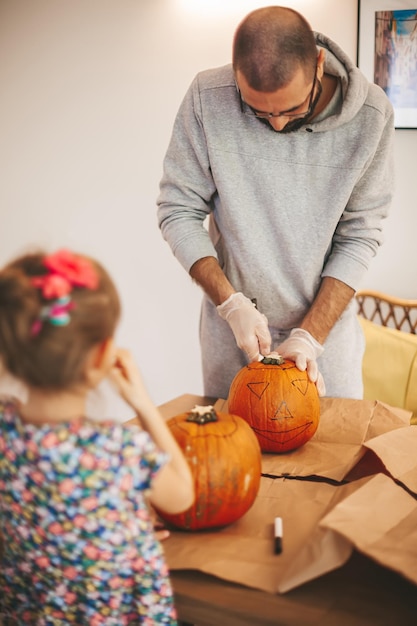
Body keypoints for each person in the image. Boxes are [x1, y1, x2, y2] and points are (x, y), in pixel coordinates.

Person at [157, 6, 395, 401]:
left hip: (323, 346)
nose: (277, 125)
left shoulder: (371, 117)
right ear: (235, 76)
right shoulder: (207, 98)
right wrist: (231, 305)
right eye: (258, 111)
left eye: (291, 109)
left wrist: (309, 337)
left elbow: (360, 235)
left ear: (318, 64)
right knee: (235, 454)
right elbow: (178, 210)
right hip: (233, 341)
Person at [0, 248, 194, 625]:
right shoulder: (117, 449)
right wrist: (142, 402)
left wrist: (115, 536)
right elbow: (182, 494)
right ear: (102, 354)